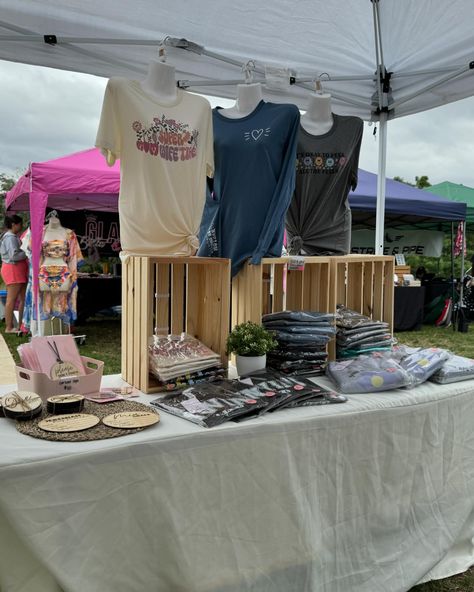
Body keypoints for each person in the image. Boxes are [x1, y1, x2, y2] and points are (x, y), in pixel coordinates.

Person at [0, 214, 28, 332]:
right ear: (13, 225)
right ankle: (9, 327)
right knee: (11, 299)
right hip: (13, 269)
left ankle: (21, 324)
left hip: (18, 269)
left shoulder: (12, 236)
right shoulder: (10, 238)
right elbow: (14, 255)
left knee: (23, 298)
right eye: (19, 224)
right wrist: (27, 251)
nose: (21, 226)